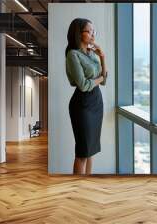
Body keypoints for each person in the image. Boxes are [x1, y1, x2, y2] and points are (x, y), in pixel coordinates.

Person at [65, 18, 107, 175]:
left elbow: (104, 80)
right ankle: (77, 191)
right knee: (82, 152)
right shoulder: (72, 55)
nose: (92, 35)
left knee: (90, 151)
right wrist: (101, 78)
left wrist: (102, 56)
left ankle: (87, 186)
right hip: (82, 104)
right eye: (89, 31)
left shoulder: (92, 54)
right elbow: (83, 85)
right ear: (78, 33)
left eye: (93, 31)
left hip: (96, 102)